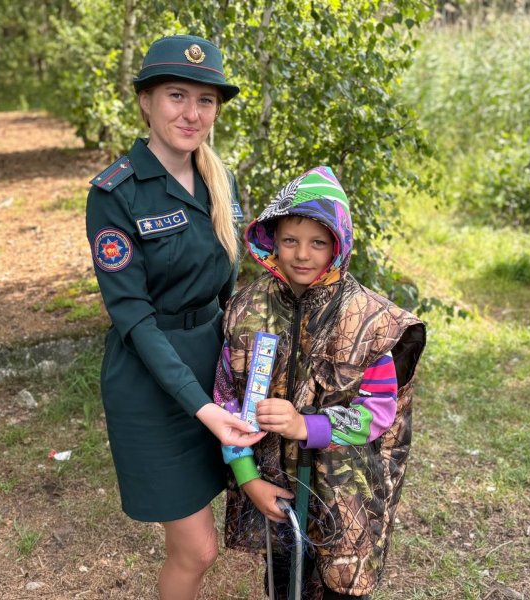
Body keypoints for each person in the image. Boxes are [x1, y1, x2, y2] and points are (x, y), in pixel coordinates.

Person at [85, 35, 263, 600]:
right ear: (145, 101)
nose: (192, 114)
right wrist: (203, 407)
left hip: (214, 367)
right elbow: (133, 319)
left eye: (206, 100)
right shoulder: (116, 193)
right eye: (176, 96)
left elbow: (227, 286)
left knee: (216, 529)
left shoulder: (219, 178)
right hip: (152, 382)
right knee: (197, 547)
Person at [213, 166, 427, 599]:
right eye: (290, 240)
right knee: (283, 582)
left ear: (340, 244)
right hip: (274, 487)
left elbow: (379, 415)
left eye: (318, 242)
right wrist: (247, 476)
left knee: (339, 589)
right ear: (271, 240)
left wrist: (304, 426)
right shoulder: (245, 310)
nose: (302, 255)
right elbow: (226, 400)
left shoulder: (372, 322)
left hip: (345, 498)